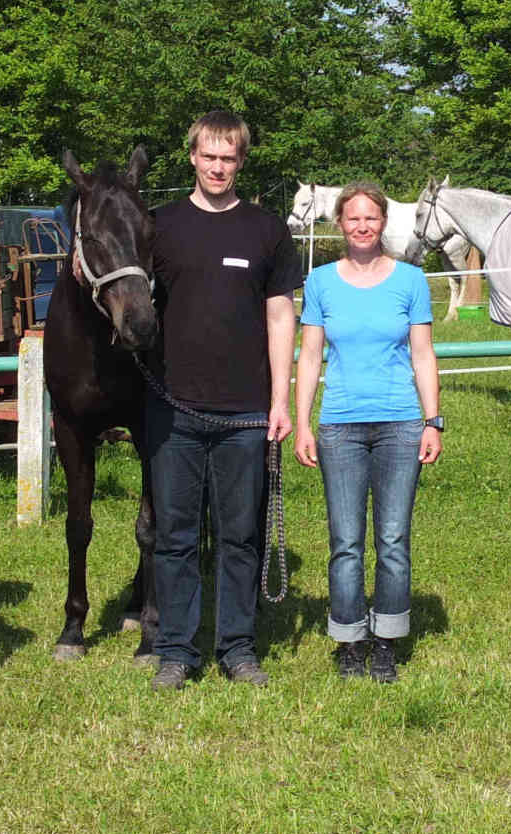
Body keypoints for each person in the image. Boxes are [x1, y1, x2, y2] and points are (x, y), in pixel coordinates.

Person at [144, 111, 300, 690]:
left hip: (247, 413)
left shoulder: (266, 229)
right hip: (172, 407)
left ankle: (237, 647)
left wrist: (280, 400)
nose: (217, 167)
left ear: (241, 161)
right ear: (192, 156)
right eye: (209, 155)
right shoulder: (159, 227)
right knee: (176, 534)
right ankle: (177, 652)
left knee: (241, 535)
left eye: (228, 157)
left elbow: (281, 315)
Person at [293, 182, 442, 684]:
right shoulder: (319, 282)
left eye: (371, 218)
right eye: (353, 218)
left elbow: (422, 353)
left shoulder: (410, 280)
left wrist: (432, 420)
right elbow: (310, 355)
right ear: (340, 224)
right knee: (346, 541)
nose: (362, 226)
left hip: (400, 424)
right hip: (339, 426)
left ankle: (386, 640)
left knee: (394, 538)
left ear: (383, 224)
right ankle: (349, 640)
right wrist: (303, 424)